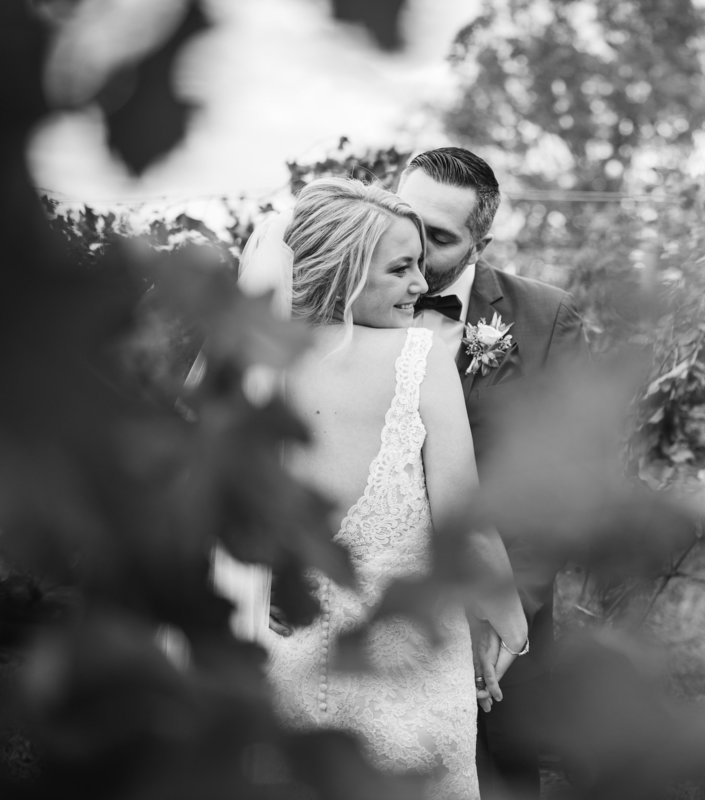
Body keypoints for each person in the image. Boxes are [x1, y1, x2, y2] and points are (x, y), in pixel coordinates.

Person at [235, 177, 528, 800]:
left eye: (422, 263)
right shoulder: (416, 359)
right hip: (408, 672)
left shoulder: (247, 368)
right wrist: (511, 623)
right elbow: (463, 523)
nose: (423, 285)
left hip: (280, 669)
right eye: (401, 268)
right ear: (343, 270)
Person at [396, 147, 588, 799]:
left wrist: (508, 608)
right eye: (405, 218)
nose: (413, 247)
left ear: (483, 239)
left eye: (440, 236)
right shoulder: (340, 304)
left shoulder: (543, 318)